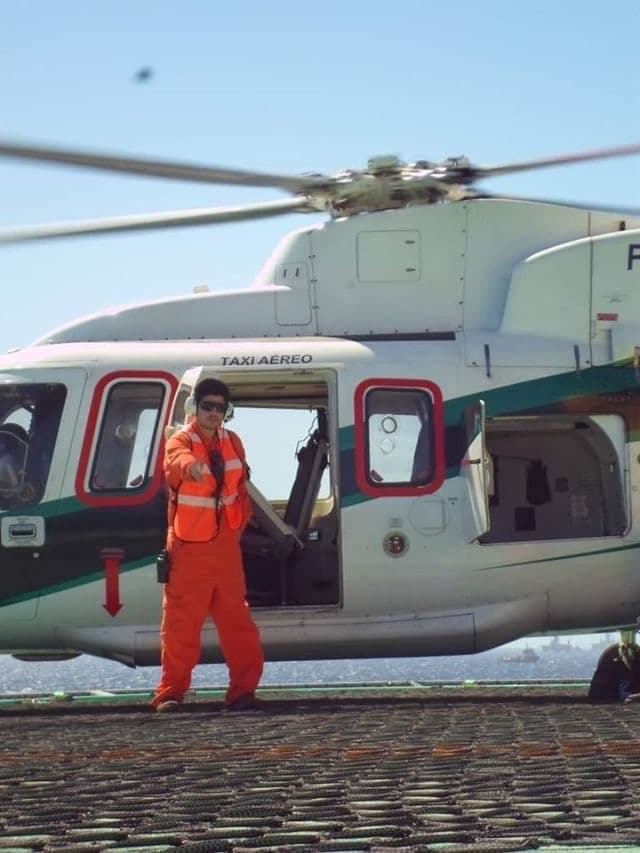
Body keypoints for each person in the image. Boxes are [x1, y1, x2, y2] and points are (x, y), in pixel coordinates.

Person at [151, 378, 264, 713]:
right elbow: (175, 462)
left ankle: (243, 692)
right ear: (194, 408)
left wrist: (243, 519)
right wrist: (192, 468)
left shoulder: (234, 442)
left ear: (226, 412)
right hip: (189, 550)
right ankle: (170, 693)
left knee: (238, 624)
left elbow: (240, 486)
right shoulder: (179, 441)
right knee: (180, 625)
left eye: (219, 408)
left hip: (226, 548)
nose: (213, 413)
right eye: (207, 406)